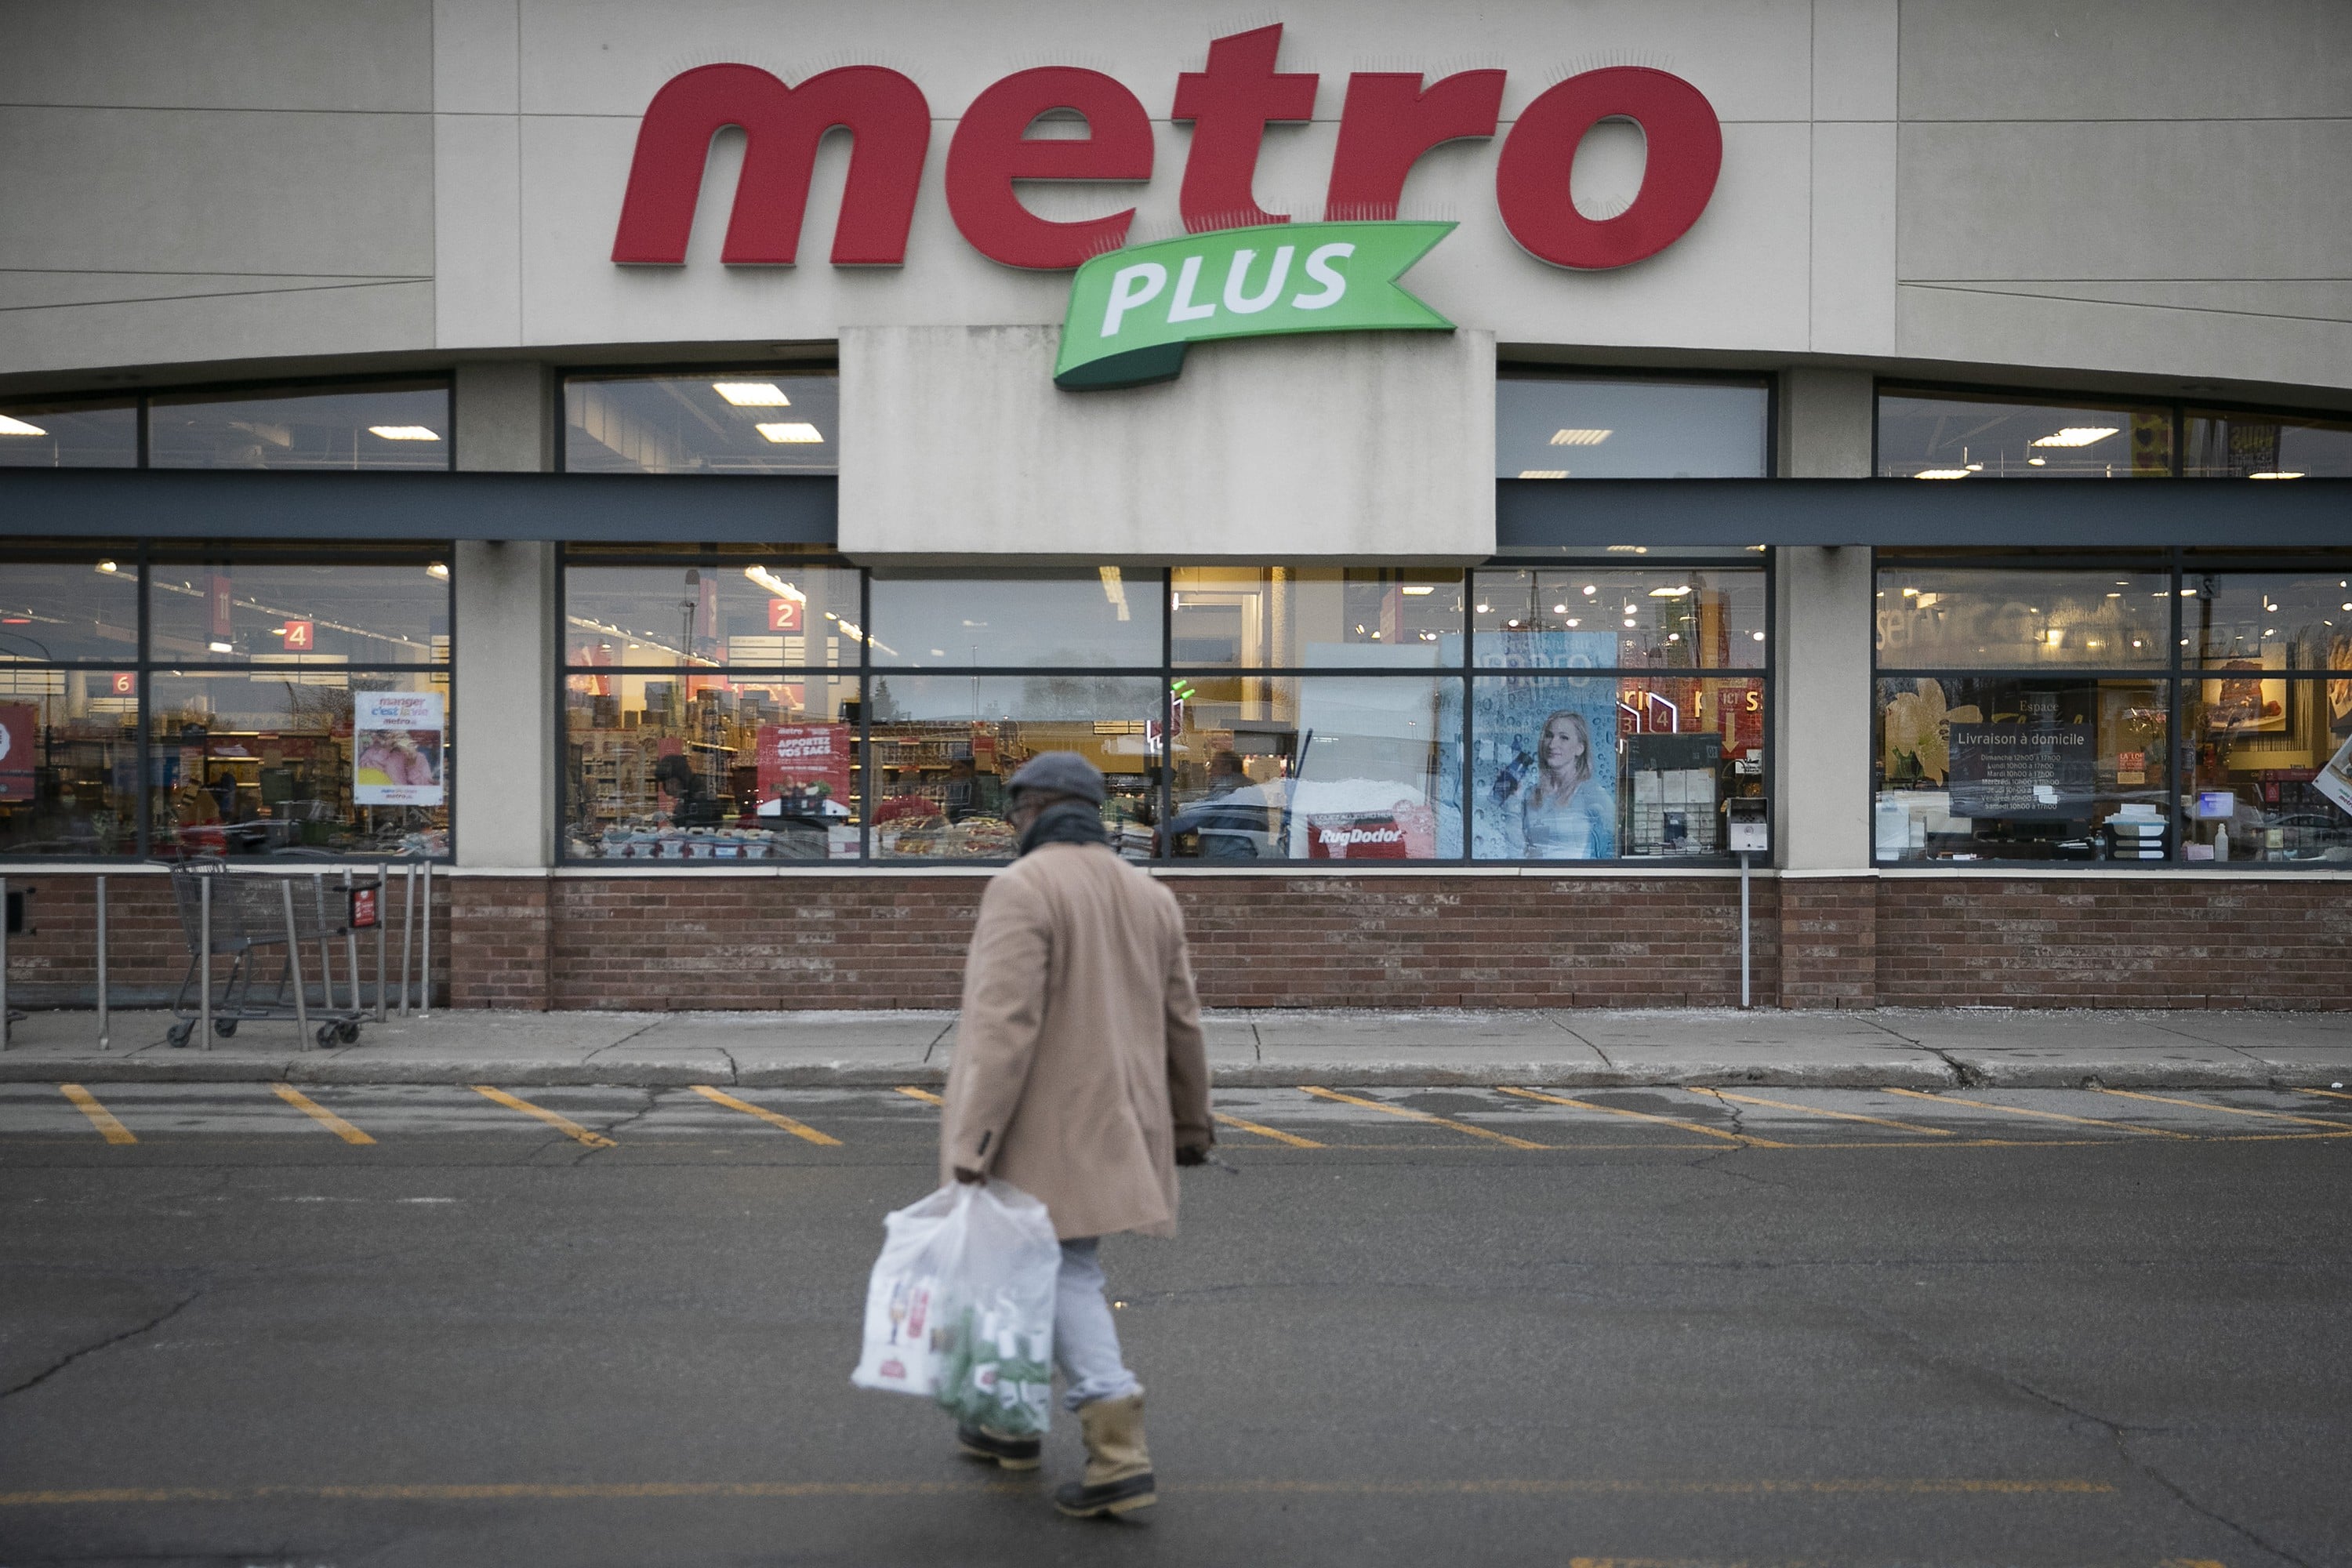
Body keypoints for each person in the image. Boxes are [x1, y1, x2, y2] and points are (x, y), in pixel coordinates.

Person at [939, 751, 1212, 1519]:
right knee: (1019, 1269)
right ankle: (1007, 1419)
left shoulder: (1022, 887)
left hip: (1037, 1122)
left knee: (1062, 1269)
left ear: (1033, 809)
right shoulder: (1146, 891)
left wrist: (972, 1140)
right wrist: (1192, 1122)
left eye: (1016, 809)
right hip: (1117, 1114)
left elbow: (1003, 1024)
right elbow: (1181, 1022)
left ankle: (1116, 1441)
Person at [1519, 709, 1611, 858]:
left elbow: (1613, 848)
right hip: (1535, 878)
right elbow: (1520, 847)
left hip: (1576, 879)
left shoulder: (1592, 793)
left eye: (1564, 738)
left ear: (1580, 748)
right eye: (1549, 736)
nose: (1552, 744)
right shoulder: (1531, 795)